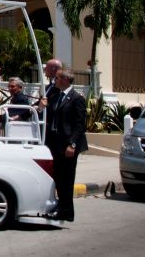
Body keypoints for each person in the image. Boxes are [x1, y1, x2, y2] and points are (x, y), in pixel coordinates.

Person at [41, 68, 87, 222]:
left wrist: (72, 144)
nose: (55, 80)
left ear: (66, 80)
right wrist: (41, 106)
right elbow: (47, 113)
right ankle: (62, 208)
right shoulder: (55, 95)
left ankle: (66, 211)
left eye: (58, 78)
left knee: (67, 179)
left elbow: (80, 125)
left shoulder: (76, 98)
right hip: (54, 142)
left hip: (68, 145)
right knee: (58, 178)